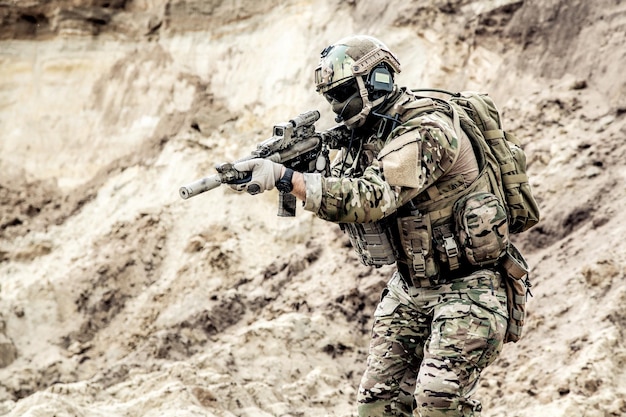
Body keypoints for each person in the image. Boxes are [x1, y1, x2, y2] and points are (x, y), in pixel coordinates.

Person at [231, 35, 510, 417]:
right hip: (411, 287)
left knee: (437, 403)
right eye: (330, 96)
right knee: (377, 406)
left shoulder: (427, 128)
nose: (336, 105)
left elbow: (370, 198)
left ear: (377, 80)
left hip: (472, 286)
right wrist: (300, 165)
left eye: (343, 92)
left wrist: (287, 179)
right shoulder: (368, 133)